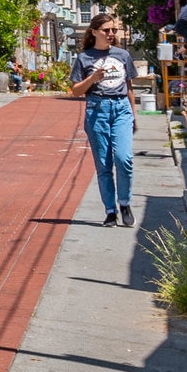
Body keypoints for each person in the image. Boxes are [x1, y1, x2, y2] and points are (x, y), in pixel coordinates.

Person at [69, 12, 139, 227]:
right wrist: (92, 78)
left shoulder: (122, 55)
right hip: (96, 110)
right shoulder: (84, 58)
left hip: (121, 109)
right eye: (106, 30)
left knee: (124, 159)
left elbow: (128, 88)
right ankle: (110, 210)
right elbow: (75, 91)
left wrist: (134, 116)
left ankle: (124, 202)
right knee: (104, 165)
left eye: (113, 30)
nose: (110, 34)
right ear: (94, 32)